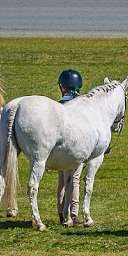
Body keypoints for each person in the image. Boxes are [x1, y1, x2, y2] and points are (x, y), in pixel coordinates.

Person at [57, 69, 84, 225]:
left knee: (61, 181)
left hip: (60, 148)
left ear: (63, 87)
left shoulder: (58, 105)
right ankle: (73, 214)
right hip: (75, 147)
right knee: (74, 180)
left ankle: (61, 212)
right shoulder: (81, 105)